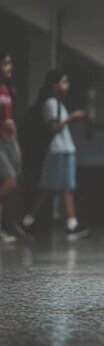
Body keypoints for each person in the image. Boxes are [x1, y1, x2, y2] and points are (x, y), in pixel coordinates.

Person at [21, 70, 91, 241]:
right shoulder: (50, 104)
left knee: (66, 187)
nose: (67, 86)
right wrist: (71, 118)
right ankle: (28, 218)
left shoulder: (60, 104)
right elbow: (53, 128)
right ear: (54, 85)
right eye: (64, 82)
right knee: (49, 189)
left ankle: (71, 224)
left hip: (67, 150)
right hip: (56, 151)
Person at [0, 51, 22, 243]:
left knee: (12, 182)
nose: (10, 67)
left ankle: (4, 226)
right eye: (6, 63)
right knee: (9, 181)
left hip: (9, 140)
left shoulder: (6, 89)